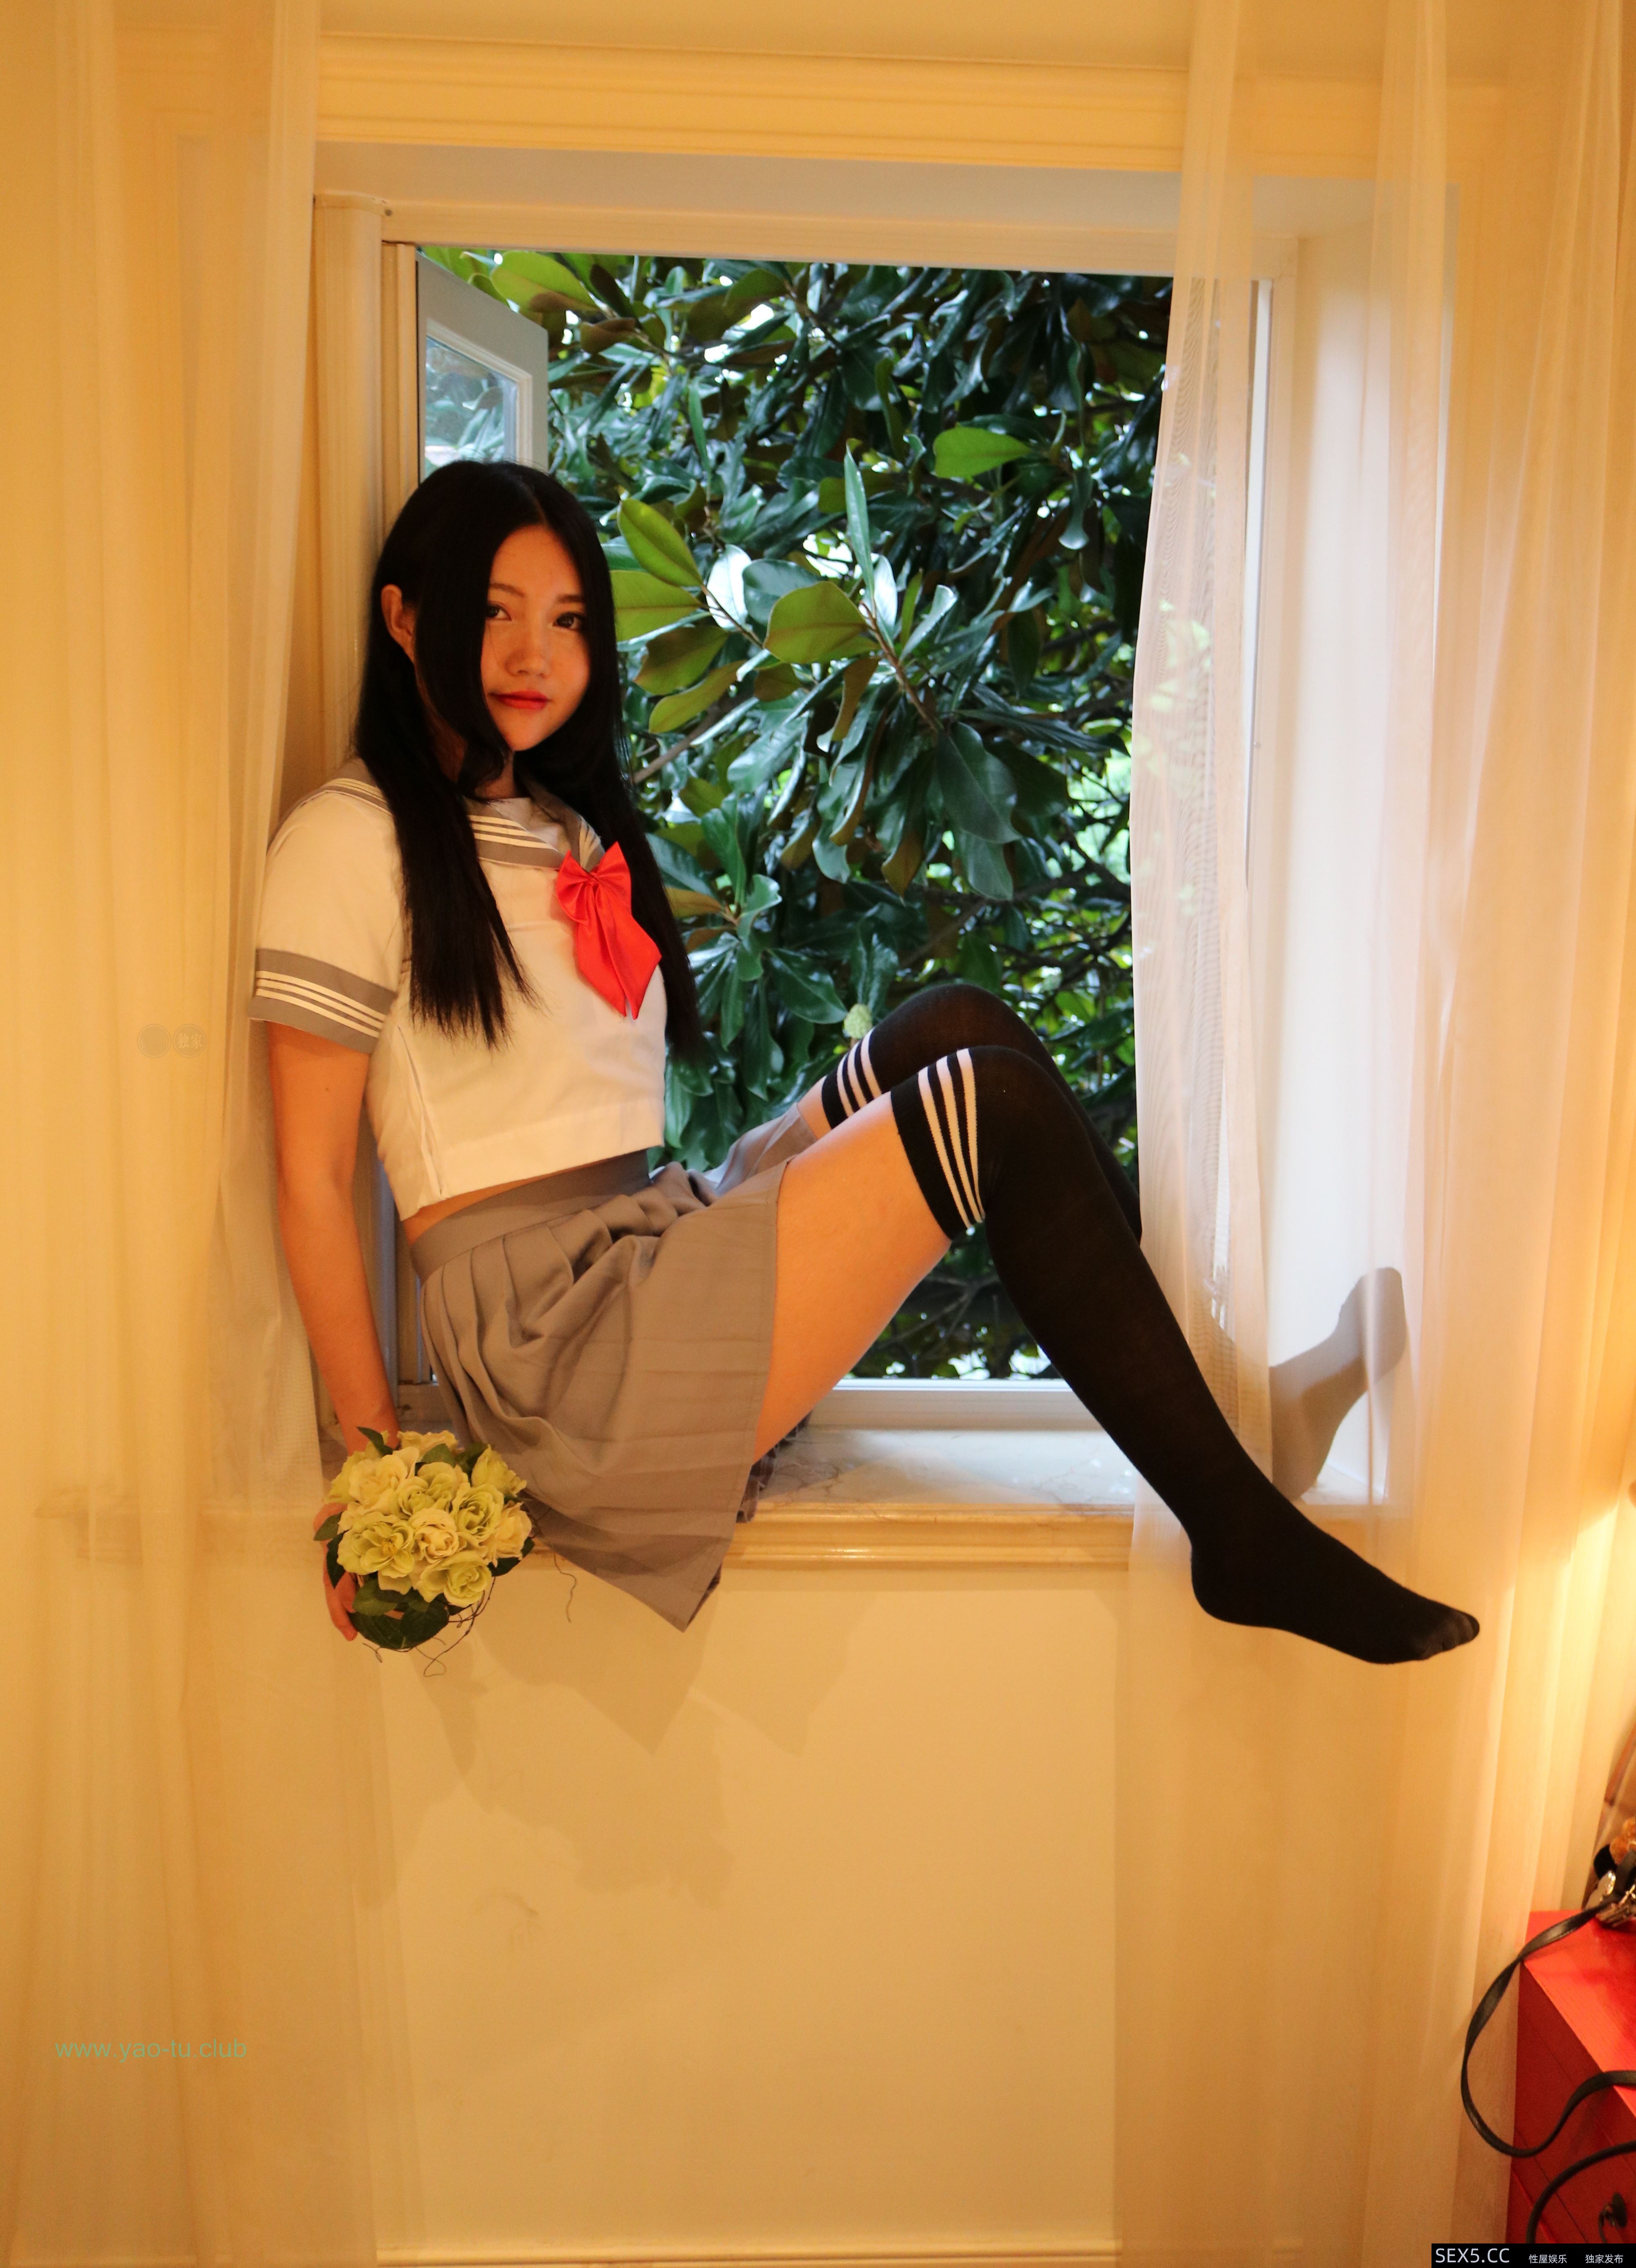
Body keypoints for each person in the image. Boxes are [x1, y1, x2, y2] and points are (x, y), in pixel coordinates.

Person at [253, 460, 1478, 1664]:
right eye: (496, 613)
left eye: (570, 622)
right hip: (552, 1351)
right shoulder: (348, 843)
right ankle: (1239, 1533)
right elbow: (311, 1182)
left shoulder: (565, 831)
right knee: (987, 1112)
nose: (536, 655)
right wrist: (377, 1478)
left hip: (646, 1241)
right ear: (404, 618)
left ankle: (1230, 1420)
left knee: (956, 1023)